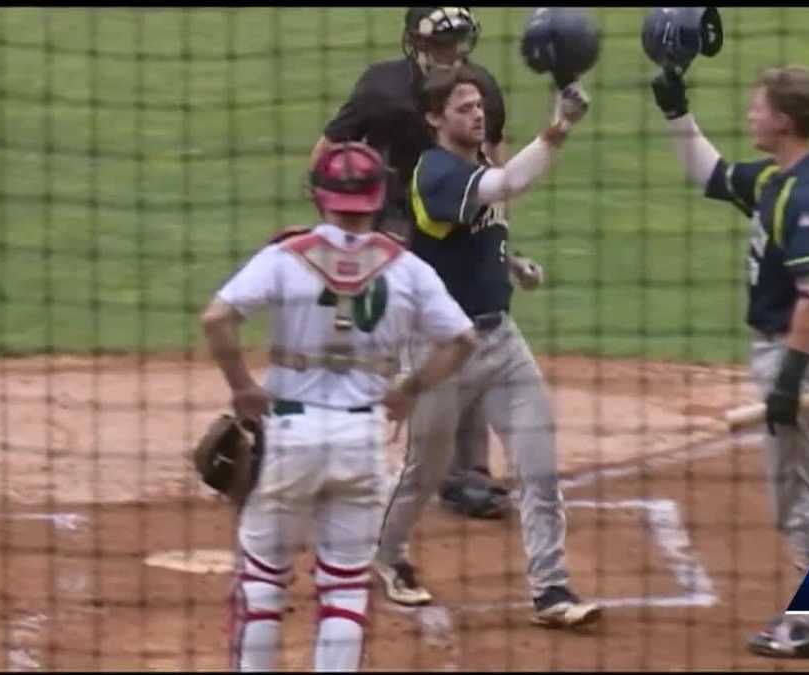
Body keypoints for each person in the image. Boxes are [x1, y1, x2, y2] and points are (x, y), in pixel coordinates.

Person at [201, 141, 479, 671]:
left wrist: (242, 387)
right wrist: (408, 390)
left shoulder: (284, 257)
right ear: (378, 199)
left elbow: (217, 319)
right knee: (345, 591)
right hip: (361, 441)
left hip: (290, 437)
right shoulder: (409, 269)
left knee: (262, 584)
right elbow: (463, 340)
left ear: (318, 196)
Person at [373, 65, 602, 629]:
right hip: (440, 349)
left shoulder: (474, 166)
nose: (478, 114)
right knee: (425, 472)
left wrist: (510, 263)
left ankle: (550, 589)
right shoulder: (436, 173)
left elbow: (476, 229)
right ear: (434, 119)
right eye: (464, 108)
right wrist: (559, 127)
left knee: (539, 468)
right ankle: (383, 555)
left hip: (500, 341)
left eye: (479, 105)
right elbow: (505, 188)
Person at [651, 63, 809, 658]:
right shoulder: (777, 178)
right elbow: (712, 173)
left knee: (803, 494)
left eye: (759, 106)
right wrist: (676, 113)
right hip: (800, 347)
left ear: (785, 121)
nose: (750, 114)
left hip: (806, 348)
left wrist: (789, 379)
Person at [310, 6, 544, 521]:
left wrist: (498, 246)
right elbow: (326, 156)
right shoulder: (381, 87)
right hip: (390, 228)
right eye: (441, 43)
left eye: (458, 41)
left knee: (466, 337)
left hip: (455, 229)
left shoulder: (479, 89)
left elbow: (495, 172)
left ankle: (467, 475)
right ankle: (319, 451)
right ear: (415, 43)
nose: (451, 53)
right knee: (361, 338)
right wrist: (340, 233)